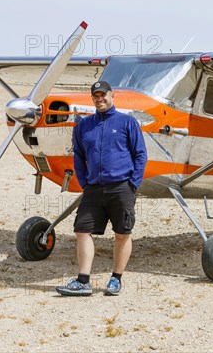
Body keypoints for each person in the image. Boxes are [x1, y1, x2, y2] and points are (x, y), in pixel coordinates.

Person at [56, 80, 147, 296]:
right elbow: (78, 155)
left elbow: (140, 154)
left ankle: (116, 279)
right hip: (94, 188)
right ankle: (83, 280)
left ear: (112, 95)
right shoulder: (84, 126)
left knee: (122, 234)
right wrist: (85, 183)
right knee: (82, 230)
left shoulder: (127, 123)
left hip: (121, 187)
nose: (100, 99)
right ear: (92, 99)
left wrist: (133, 184)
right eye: (96, 96)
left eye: (103, 95)